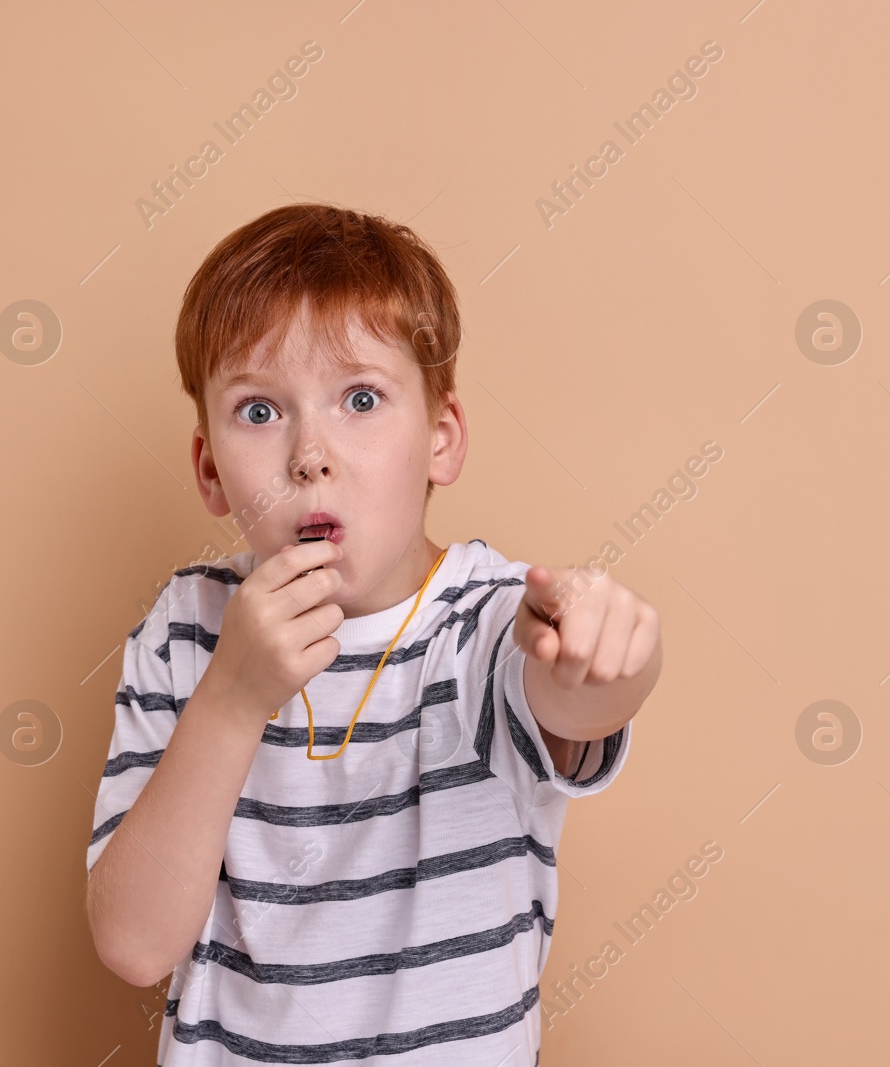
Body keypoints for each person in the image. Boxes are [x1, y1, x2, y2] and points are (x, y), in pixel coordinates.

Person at [84, 204, 661, 1065]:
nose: (310, 454)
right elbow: (132, 942)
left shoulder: (486, 621)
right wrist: (235, 699)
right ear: (209, 470)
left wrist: (616, 659)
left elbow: (575, 697)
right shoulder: (185, 631)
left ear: (440, 438)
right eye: (258, 411)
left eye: (360, 398)